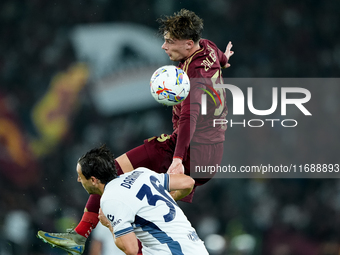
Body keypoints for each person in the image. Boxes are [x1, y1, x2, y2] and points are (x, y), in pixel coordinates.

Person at [37, 8, 234, 254]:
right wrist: (224, 59)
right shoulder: (207, 47)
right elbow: (220, 60)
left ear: (187, 44)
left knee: (112, 172)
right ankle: (89, 232)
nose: (163, 46)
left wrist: (177, 158)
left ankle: (81, 235)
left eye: (169, 41)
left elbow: (188, 119)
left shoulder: (194, 75)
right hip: (211, 151)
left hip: (195, 148)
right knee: (127, 176)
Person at [38, 145, 209, 255]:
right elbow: (189, 182)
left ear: (93, 180)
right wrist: (171, 198)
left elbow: (131, 249)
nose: (78, 180)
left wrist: (109, 226)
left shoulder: (111, 199)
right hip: (197, 248)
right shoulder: (141, 173)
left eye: (80, 176)